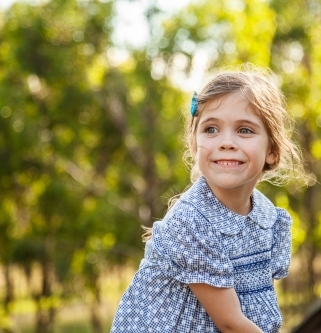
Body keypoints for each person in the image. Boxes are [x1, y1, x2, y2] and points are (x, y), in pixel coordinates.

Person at [110, 66, 304, 333]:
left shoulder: (266, 218)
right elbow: (231, 323)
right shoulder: (192, 220)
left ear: (272, 150)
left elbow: (257, 303)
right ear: (194, 143)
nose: (226, 142)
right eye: (211, 129)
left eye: (245, 130)